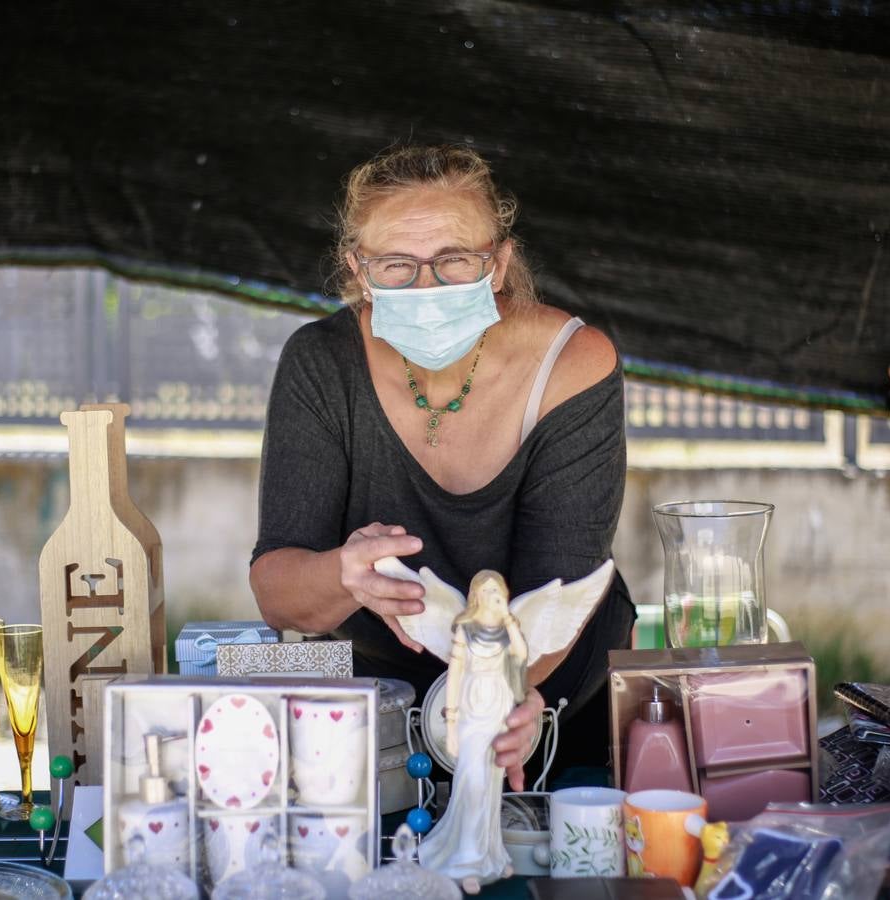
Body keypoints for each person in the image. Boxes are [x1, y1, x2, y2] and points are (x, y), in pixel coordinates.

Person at [250, 144, 634, 784]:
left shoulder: (573, 363)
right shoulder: (321, 363)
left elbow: (557, 589)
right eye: (397, 264)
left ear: (500, 262)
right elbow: (277, 594)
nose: (426, 286)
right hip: (376, 714)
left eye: (455, 260)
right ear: (358, 270)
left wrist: (507, 696)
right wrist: (343, 574)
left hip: (549, 692)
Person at [417, 570, 526, 892]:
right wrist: (450, 722)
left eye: (499, 591)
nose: (494, 596)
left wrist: (509, 621)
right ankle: (465, 859)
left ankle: (489, 856)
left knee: (491, 784)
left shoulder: (507, 630)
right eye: (489, 591)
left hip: (499, 706)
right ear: (477, 594)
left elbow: (520, 658)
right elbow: (455, 675)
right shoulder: (466, 629)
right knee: (472, 782)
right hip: (472, 708)